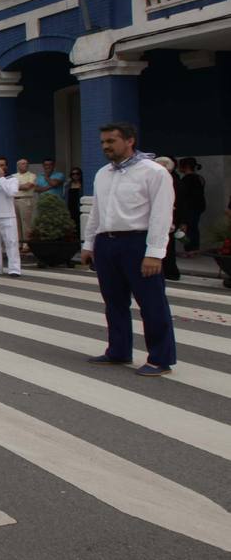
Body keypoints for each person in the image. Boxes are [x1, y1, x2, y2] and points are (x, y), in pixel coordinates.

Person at [80, 122, 177, 377]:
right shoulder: (103, 173)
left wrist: (154, 252)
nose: (105, 147)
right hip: (107, 243)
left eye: (111, 141)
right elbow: (97, 211)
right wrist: (88, 244)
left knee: (151, 302)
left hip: (137, 242)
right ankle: (119, 350)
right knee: (114, 301)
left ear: (130, 141)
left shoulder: (153, 172)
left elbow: (161, 215)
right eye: (103, 142)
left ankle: (160, 358)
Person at [175, 157, 206, 254]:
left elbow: (184, 196)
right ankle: (194, 248)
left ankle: (190, 249)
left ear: (186, 166)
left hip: (190, 207)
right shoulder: (199, 178)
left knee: (188, 229)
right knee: (193, 228)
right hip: (198, 206)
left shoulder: (187, 179)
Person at [13, 159, 38, 247]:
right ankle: (19, 243)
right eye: (23, 164)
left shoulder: (32, 175)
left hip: (26, 200)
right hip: (14, 200)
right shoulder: (13, 176)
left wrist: (16, 186)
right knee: (16, 223)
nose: (25, 165)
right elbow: (10, 187)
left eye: (27, 163)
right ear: (18, 165)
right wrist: (20, 186)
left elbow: (27, 186)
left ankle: (27, 244)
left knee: (26, 223)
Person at [66, 167, 84, 232]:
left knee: (79, 224)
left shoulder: (83, 184)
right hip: (70, 207)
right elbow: (65, 196)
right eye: (73, 174)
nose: (75, 175)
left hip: (78, 207)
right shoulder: (68, 185)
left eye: (77, 173)